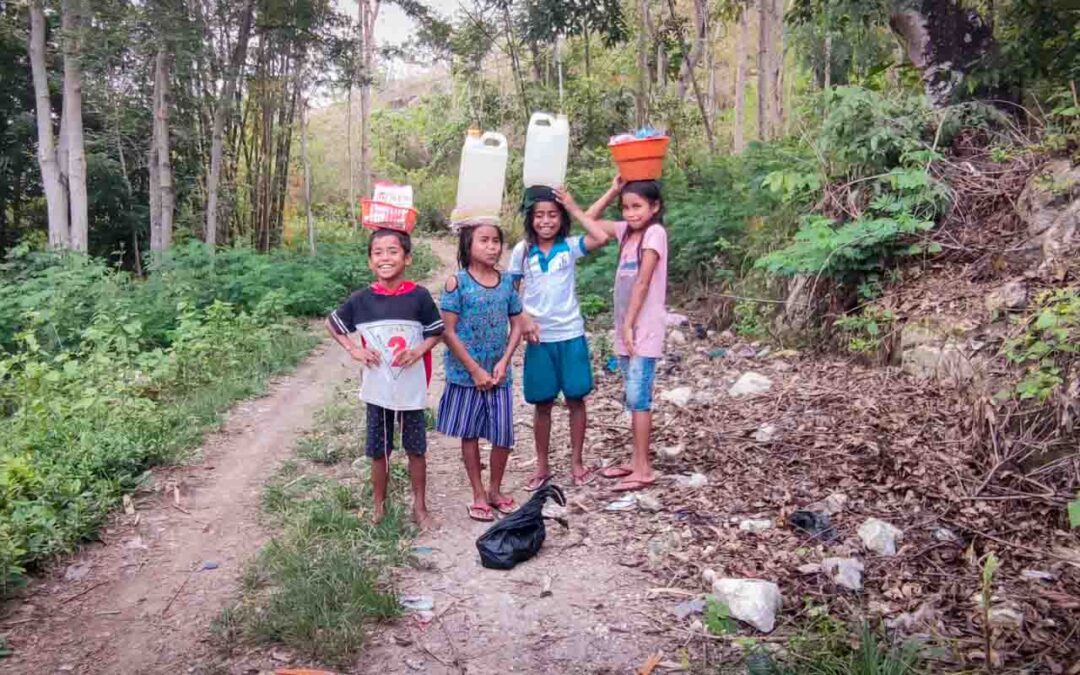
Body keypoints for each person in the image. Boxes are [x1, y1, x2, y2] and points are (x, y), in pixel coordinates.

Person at [326, 229, 443, 528]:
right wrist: (353, 349)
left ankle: (420, 507)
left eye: (393, 251)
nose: (385, 257)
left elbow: (436, 331)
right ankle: (380, 506)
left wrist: (419, 350)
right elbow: (334, 324)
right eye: (378, 252)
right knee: (379, 450)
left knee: (416, 449)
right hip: (377, 390)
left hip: (411, 389)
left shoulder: (418, 296)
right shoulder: (361, 300)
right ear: (370, 262)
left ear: (407, 258)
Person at [560, 178, 668, 492]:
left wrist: (630, 324)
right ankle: (635, 462)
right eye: (626, 207)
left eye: (638, 207)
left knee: (639, 398)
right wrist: (610, 190)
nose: (631, 213)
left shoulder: (654, 233)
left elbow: (644, 283)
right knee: (632, 396)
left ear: (655, 207)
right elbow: (590, 222)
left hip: (642, 330)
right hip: (627, 330)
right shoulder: (626, 233)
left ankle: (644, 468)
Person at [509, 185, 611, 491]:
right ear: (530, 219)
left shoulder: (569, 246)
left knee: (576, 397)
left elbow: (601, 237)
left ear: (561, 218)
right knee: (542, 403)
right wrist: (522, 319)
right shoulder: (522, 250)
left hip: (571, 333)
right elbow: (510, 294)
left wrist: (573, 205)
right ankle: (542, 465)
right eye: (539, 215)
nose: (546, 221)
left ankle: (577, 462)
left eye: (553, 215)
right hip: (539, 337)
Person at [437, 223, 526, 521]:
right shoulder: (456, 284)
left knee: (503, 435)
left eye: (496, 241)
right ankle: (477, 493)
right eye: (484, 241)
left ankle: (495, 490)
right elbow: (447, 332)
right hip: (466, 376)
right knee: (471, 433)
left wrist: (505, 359)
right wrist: (474, 369)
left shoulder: (506, 284)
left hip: (499, 375)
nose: (492, 247)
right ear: (468, 244)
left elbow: (517, 324)